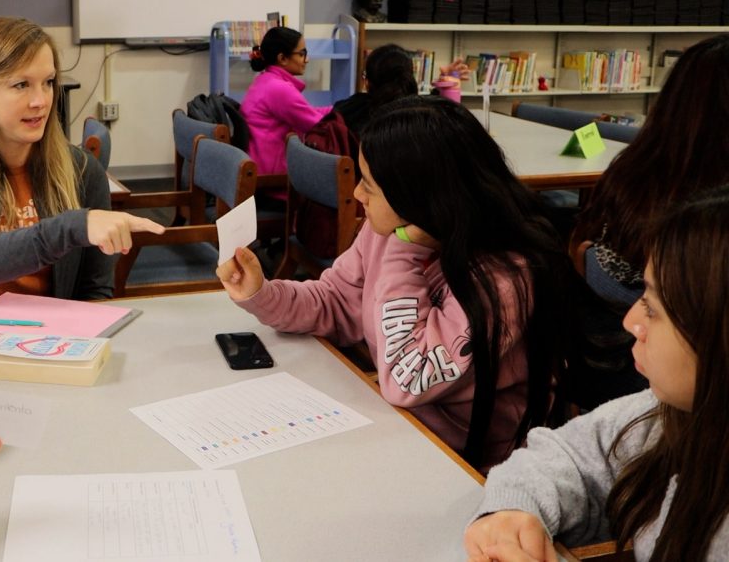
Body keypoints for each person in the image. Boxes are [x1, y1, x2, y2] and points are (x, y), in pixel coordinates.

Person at [218, 95, 574, 471]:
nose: (356, 194)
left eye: (369, 185)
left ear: (420, 197)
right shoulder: (387, 230)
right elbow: (335, 300)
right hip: (401, 427)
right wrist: (263, 292)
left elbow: (411, 378)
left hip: (469, 467)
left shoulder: (504, 278)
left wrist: (405, 254)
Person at [464, 185, 729, 562]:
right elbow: (573, 452)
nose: (630, 321)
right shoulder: (664, 415)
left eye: (653, 308)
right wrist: (513, 511)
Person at [0, 16, 163, 312]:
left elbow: (95, 291)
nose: (41, 101)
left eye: (48, 83)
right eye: (21, 85)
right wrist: (74, 227)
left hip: (59, 342)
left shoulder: (83, 171)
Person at [571, 33, 729, 298]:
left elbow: (591, 250)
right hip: (685, 321)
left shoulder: (632, 169)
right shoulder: (709, 209)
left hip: (612, 314)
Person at [239, 26, 342, 176]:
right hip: (272, 178)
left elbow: (308, 112)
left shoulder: (265, 80)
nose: (307, 60)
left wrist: (341, 109)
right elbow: (318, 125)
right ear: (282, 58)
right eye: (302, 54)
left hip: (259, 165)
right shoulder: (279, 89)